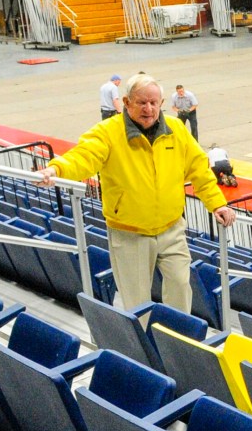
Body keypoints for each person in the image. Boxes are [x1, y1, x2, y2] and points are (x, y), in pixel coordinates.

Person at [36, 73, 236, 317]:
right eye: (141, 102)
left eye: (153, 102)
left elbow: (199, 170)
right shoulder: (108, 132)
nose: (148, 108)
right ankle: (142, 350)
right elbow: (83, 156)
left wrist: (217, 204)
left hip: (171, 228)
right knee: (137, 302)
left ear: (162, 103)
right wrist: (56, 169)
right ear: (127, 102)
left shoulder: (176, 130)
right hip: (129, 233)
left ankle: (179, 341)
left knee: (181, 287)